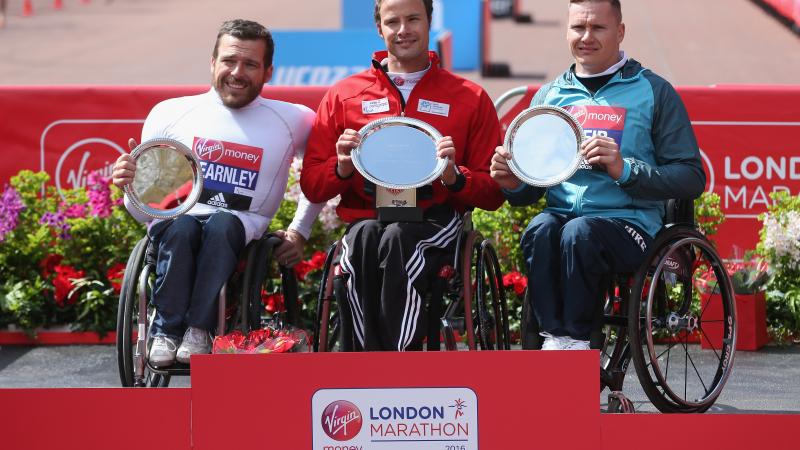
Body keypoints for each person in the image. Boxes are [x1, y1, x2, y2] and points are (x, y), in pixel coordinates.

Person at [490, 0, 705, 350]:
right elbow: (532, 189)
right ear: (567, 31)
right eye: (578, 27)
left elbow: (691, 177)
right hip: (562, 221)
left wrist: (626, 170)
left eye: (598, 28)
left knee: (580, 232)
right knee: (540, 229)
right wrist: (513, 183)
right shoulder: (549, 97)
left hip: (630, 226)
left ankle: (576, 341)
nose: (586, 37)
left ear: (619, 32)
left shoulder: (653, 91)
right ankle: (555, 338)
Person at [111, 19, 323, 366]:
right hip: (177, 223)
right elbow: (145, 212)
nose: (237, 72)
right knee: (181, 227)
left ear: (269, 71)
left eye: (250, 64)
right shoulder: (169, 113)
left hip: (241, 225)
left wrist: (300, 230)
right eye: (228, 61)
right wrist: (129, 188)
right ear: (212, 63)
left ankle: (200, 329)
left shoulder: (295, 119)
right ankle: (165, 330)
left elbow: (318, 177)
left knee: (223, 224)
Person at [300, 0, 503, 351]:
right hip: (367, 216)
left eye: (413, 19)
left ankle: (396, 358)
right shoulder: (343, 95)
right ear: (380, 28)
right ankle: (363, 359)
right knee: (362, 240)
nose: (403, 30)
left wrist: (455, 177)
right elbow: (313, 186)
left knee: (398, 240)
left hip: (435, 220)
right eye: (393, 21)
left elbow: (493, 192)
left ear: (429, 22)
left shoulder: (469, 97)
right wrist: (341, 167)